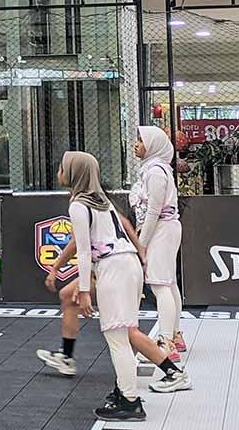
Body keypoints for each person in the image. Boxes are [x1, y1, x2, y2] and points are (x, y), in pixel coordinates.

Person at [59, 152, 190, 421]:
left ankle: (129, 401)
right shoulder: (102, 202)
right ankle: (126, 390)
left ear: (74, 173)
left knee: (117, 337)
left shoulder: (78, 205)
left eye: (63, 167)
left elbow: (84, 252)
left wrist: (84, 291)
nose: (59, 171)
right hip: (128, 265)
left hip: (113, 269)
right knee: (126, 331)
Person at [133, 127, 185, 362]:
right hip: (167, 227)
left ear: (152, 145)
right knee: (169, 282)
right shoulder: (157, 169)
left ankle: (166, 342)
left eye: (141, 140)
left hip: (162, 229)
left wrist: (141, 243)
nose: (136, 144)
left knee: (160, 284)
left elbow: (154, 210)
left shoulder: (155, 172)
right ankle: (174, 334)